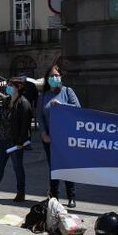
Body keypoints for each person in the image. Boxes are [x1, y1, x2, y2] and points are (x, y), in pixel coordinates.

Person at [38, 63, 81, 208]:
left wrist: (62, 106)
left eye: (56, 75)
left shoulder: (67, 91)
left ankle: (71, 196)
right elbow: (39, 116)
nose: (54, 78)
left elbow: (78, 110)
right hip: (49, 137)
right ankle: (54, 196)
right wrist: (43, 133)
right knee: (53, 168)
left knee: (67, 166)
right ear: (47, 78)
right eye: (51, 76)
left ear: (61, 76)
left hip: (66, 137)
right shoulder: (43, 95)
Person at [0, 78, 33, 202]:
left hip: (15, 141)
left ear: (18, 87)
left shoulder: (24, 103)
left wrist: (21, 142)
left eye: (11, 85)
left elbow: (25, 125)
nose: (8, 87)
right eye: (8, 85)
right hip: (2, 139)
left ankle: (21, 192)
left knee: (17, 167)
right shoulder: (6, 100)